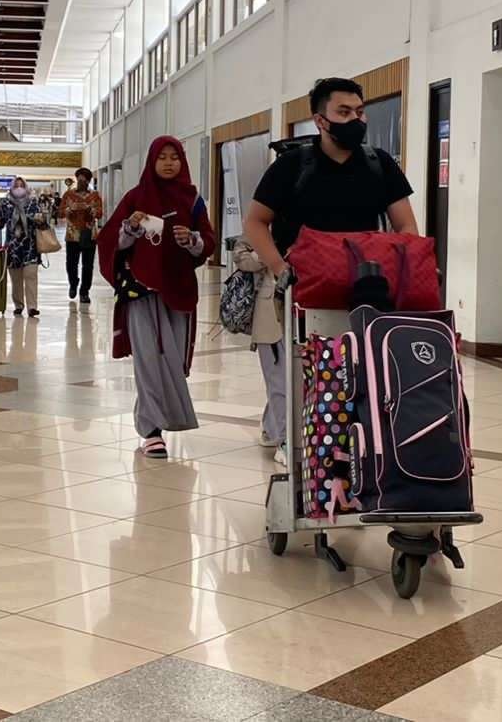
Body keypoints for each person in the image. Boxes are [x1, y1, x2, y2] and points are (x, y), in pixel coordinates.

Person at [243, 77, 417, 463]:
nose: (355, 119)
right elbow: (256, 222)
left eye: (359, 111)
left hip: (365, 288)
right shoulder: (293, 166)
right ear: (320, 120)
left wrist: (401, 266)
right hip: (307, 288)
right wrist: (278, 265)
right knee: (305, 367)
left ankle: (353, 447)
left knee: (359, 369)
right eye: (343, 112)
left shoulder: (378, 163)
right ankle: (295, 437)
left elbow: (406, 226)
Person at [98, 137, 217, 458]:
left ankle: (151, 418)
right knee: (148, 359)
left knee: (173, 361)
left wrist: (191, 239)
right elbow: (110, 241)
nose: (168, 163)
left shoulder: (192, 200)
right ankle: (151, 431)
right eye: (162, 157)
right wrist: (131, 229)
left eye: (174, 157)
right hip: (142, 291)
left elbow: (209, 240)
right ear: (151, 161)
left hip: (178, 289)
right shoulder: (136, 197)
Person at [0, 176, 50, 317]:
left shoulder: (33, 203)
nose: (19, 188)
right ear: (11, 188)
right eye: (16, 185)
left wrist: (40, 220)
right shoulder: (5, 203)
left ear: (26, 187)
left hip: (30, 246)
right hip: (13, 247)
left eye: (21, 185)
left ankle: (32, 307)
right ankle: (18, 305)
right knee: (16, 279)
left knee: (31, 275)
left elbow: (42, 223)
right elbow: (0, 223)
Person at [60, 167, 105, 304]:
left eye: (84, 180)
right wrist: (69, 210)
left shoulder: (95, 195)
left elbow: (100, 213)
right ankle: (73, 283)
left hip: (89, 234)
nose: (81, 182)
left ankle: (84, 291)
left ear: (88, 181)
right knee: (71, 264)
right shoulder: (68, 195)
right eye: (79, 179)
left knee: (88, 265)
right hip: (72, 235)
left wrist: (90, 210)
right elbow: (60, 212)